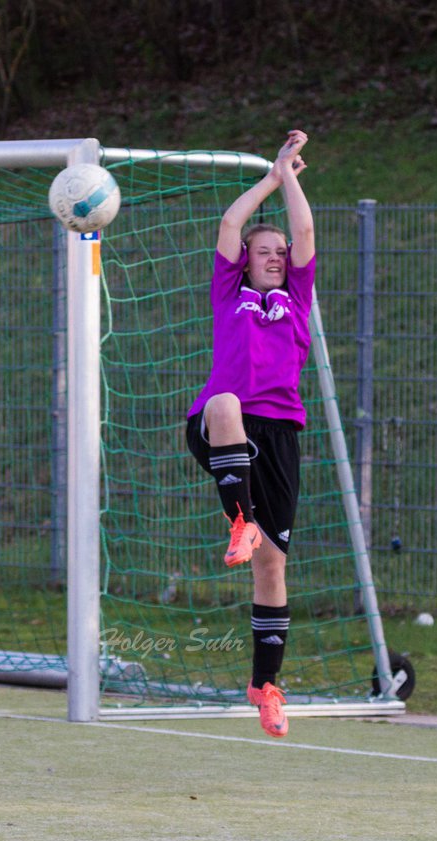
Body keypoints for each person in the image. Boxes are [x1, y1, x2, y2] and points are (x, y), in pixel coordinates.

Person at [184, 129, 315, 739]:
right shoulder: (228, 293)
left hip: (280, 436)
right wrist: (270, 175)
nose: (274, 256)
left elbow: (306, 235)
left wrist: (293, 180)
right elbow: (230, 224)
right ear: (245, 260)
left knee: (271, 572)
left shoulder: (296, 300)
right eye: (264, 250)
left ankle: (265, 687)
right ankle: (239, 520)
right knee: (225, 400)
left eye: (279, 252)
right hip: (222, 424)